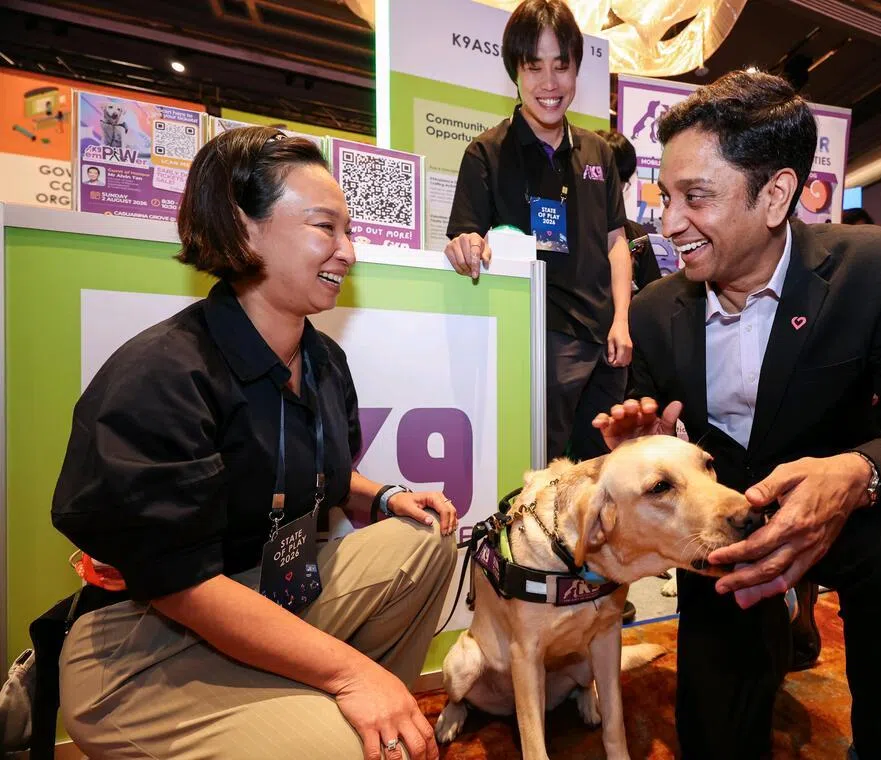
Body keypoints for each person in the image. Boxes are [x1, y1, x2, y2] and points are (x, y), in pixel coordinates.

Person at [593, 71, 881, 759]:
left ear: (776, 194)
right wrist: (647, 446)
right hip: (725, 534)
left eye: (695, 197)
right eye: (665, 198)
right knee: (716, 742)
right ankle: (777, 632)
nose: (669, 223)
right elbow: (656, 439)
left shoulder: (877, 271)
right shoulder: (657, 311)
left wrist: (858, 473)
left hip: (849, 511)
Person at [51, 126, 458, 760]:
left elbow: (309, 472)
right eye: (325, 228)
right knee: (342, 749)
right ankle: (348, 715)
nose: (349, 251)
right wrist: (352, 673)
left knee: (424, 540)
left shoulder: (323, 362)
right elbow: (180, 583)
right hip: (144, 643)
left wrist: (383, 497)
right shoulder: (162, 375)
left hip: (265, 592)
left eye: (350, 231)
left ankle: (370, 719)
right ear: (244, 230)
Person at [445, 0, 633, 464]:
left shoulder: (598, 152)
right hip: (536, 343)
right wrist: (465, 246)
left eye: (561, 66)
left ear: (576, 70)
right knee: (537, 472)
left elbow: (616, 242)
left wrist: (622, 320)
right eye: (534, 67)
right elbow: (464, 237)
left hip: (605, 345)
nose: (549, 83)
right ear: (516, 71)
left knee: (602, 474)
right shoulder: (486, 153)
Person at [597, 128, 663, 292]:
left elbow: (653, 294)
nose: (612, 190)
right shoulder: (564, 230)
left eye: (620, 183)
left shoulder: (637, 236)